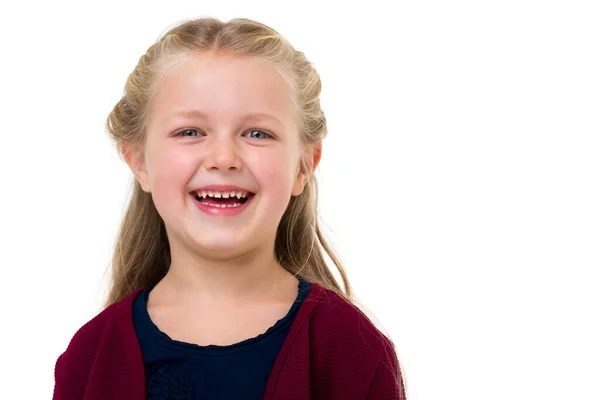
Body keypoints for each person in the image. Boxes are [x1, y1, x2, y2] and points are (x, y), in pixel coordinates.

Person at [52, 17, 405, 400]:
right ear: (138, 160)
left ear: (304, 165)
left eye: (257, 133)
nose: (223, 158)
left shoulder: (350, 351)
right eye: (190, 132)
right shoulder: (87, 359)